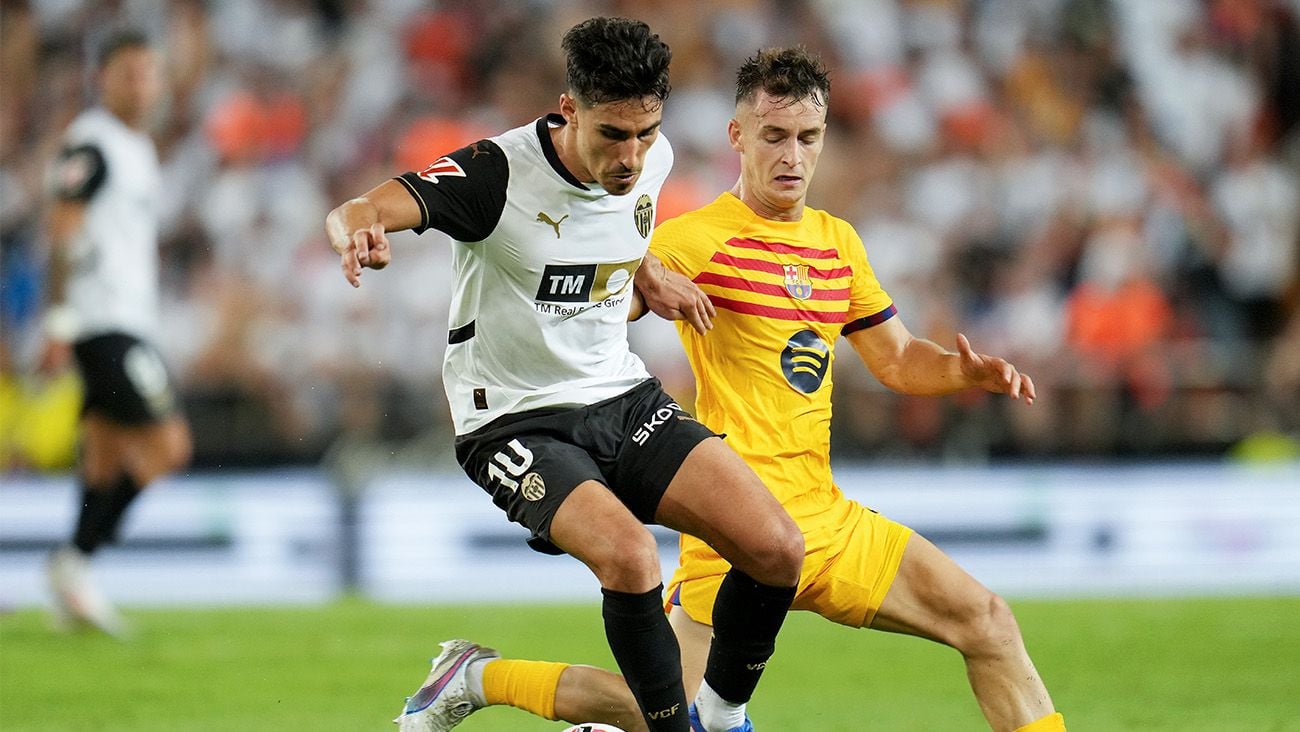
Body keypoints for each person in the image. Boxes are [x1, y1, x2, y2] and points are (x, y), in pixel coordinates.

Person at [428, 48, 1068, 732]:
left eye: (808, 138)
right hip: (734, 525)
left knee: (989, 622)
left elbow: (898, 358)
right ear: (738, 137)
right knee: (660, 709)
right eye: (774, 137)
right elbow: (604, 307)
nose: (792, 156)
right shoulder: (692, 240)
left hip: (828, 518)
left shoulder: (837, 242)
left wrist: (961, 372)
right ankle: (476, 676)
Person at [323, 18, 803, 732]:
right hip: (512, 418)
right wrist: (358, 230)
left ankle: (721, 717)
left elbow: (611, 229)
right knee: (633, 559)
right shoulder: (496, 173)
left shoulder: (652, 159)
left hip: (618, 392)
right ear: (568, 109)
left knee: (777, 548)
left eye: (646, 132)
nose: (632, 155)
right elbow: (361, 206)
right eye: (614, 134)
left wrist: (650, 272)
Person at [40, 29, 193, 637]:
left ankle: (73, 578)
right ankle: (72, 563)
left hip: (128, 318)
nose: (140, 84)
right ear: (102, 76)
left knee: (103, 459)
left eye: (148, 72)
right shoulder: (93, 143)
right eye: (128, 71)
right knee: (167, 446)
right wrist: (58, 319)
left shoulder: (137, 147)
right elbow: (61, 230)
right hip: (103, 322)